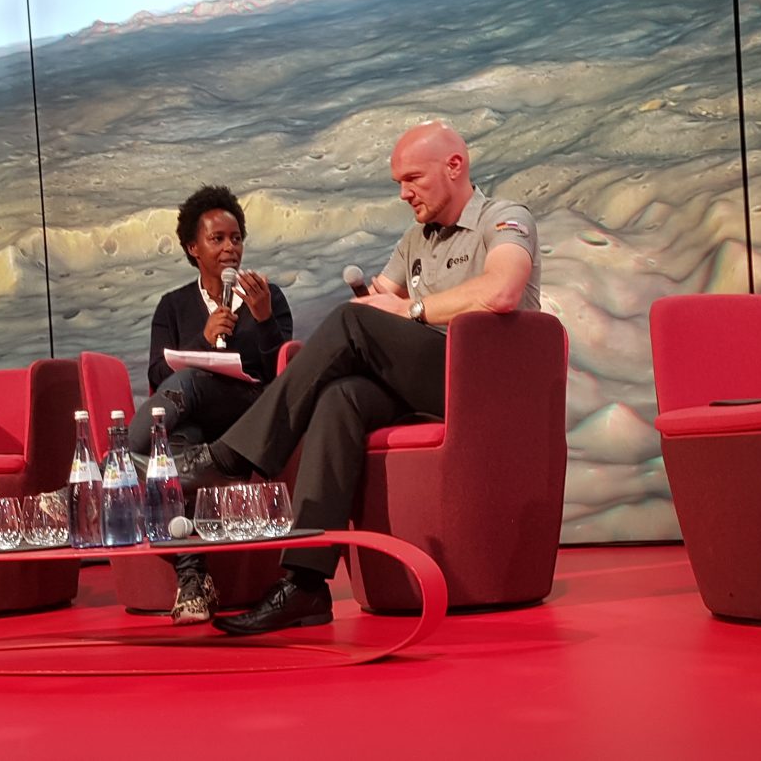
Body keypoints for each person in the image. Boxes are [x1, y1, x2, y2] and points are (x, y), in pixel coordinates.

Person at [176, 120, 541, 635]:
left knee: (351, 323)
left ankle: (232, 458)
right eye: (398, 182)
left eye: (412, 179)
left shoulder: (503, 218)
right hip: (427, 381)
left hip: (484, 384)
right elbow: (376, 305)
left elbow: (502, 290)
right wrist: (376, 309)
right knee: (340, 397)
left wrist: (407, 309)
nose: (403, 193)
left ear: (454, 166)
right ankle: (305, 584)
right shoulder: (414, 240)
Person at [129, 184, 292, 625]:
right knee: (179, 440)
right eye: (217, 239)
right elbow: (157, 376)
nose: (229, 248)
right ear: (193, 248)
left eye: (236, 238)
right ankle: (193, 581)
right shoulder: (173, 306)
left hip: (248, 411)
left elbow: (281, 373)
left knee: (190, 382)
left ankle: (116, 465)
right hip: (193, 420)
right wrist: (202, 341)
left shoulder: (267, 296)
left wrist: (263, 320)